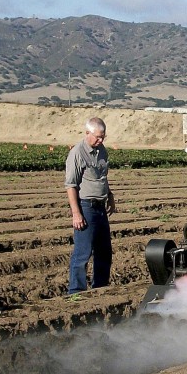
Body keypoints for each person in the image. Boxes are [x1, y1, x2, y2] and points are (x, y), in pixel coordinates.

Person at [64, 117, 115, 294]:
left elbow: (103, 177)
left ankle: (99, 289)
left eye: (103, 137)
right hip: (86, 207)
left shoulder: (102, 151)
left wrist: (110, 196)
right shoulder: (77, 153)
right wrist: (76, 213)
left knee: (104, 252)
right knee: (83, 252)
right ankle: (76, 291)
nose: (100, 141)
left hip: (100, 208)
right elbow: (70, 185)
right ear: (87, 133)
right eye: (98, 137)